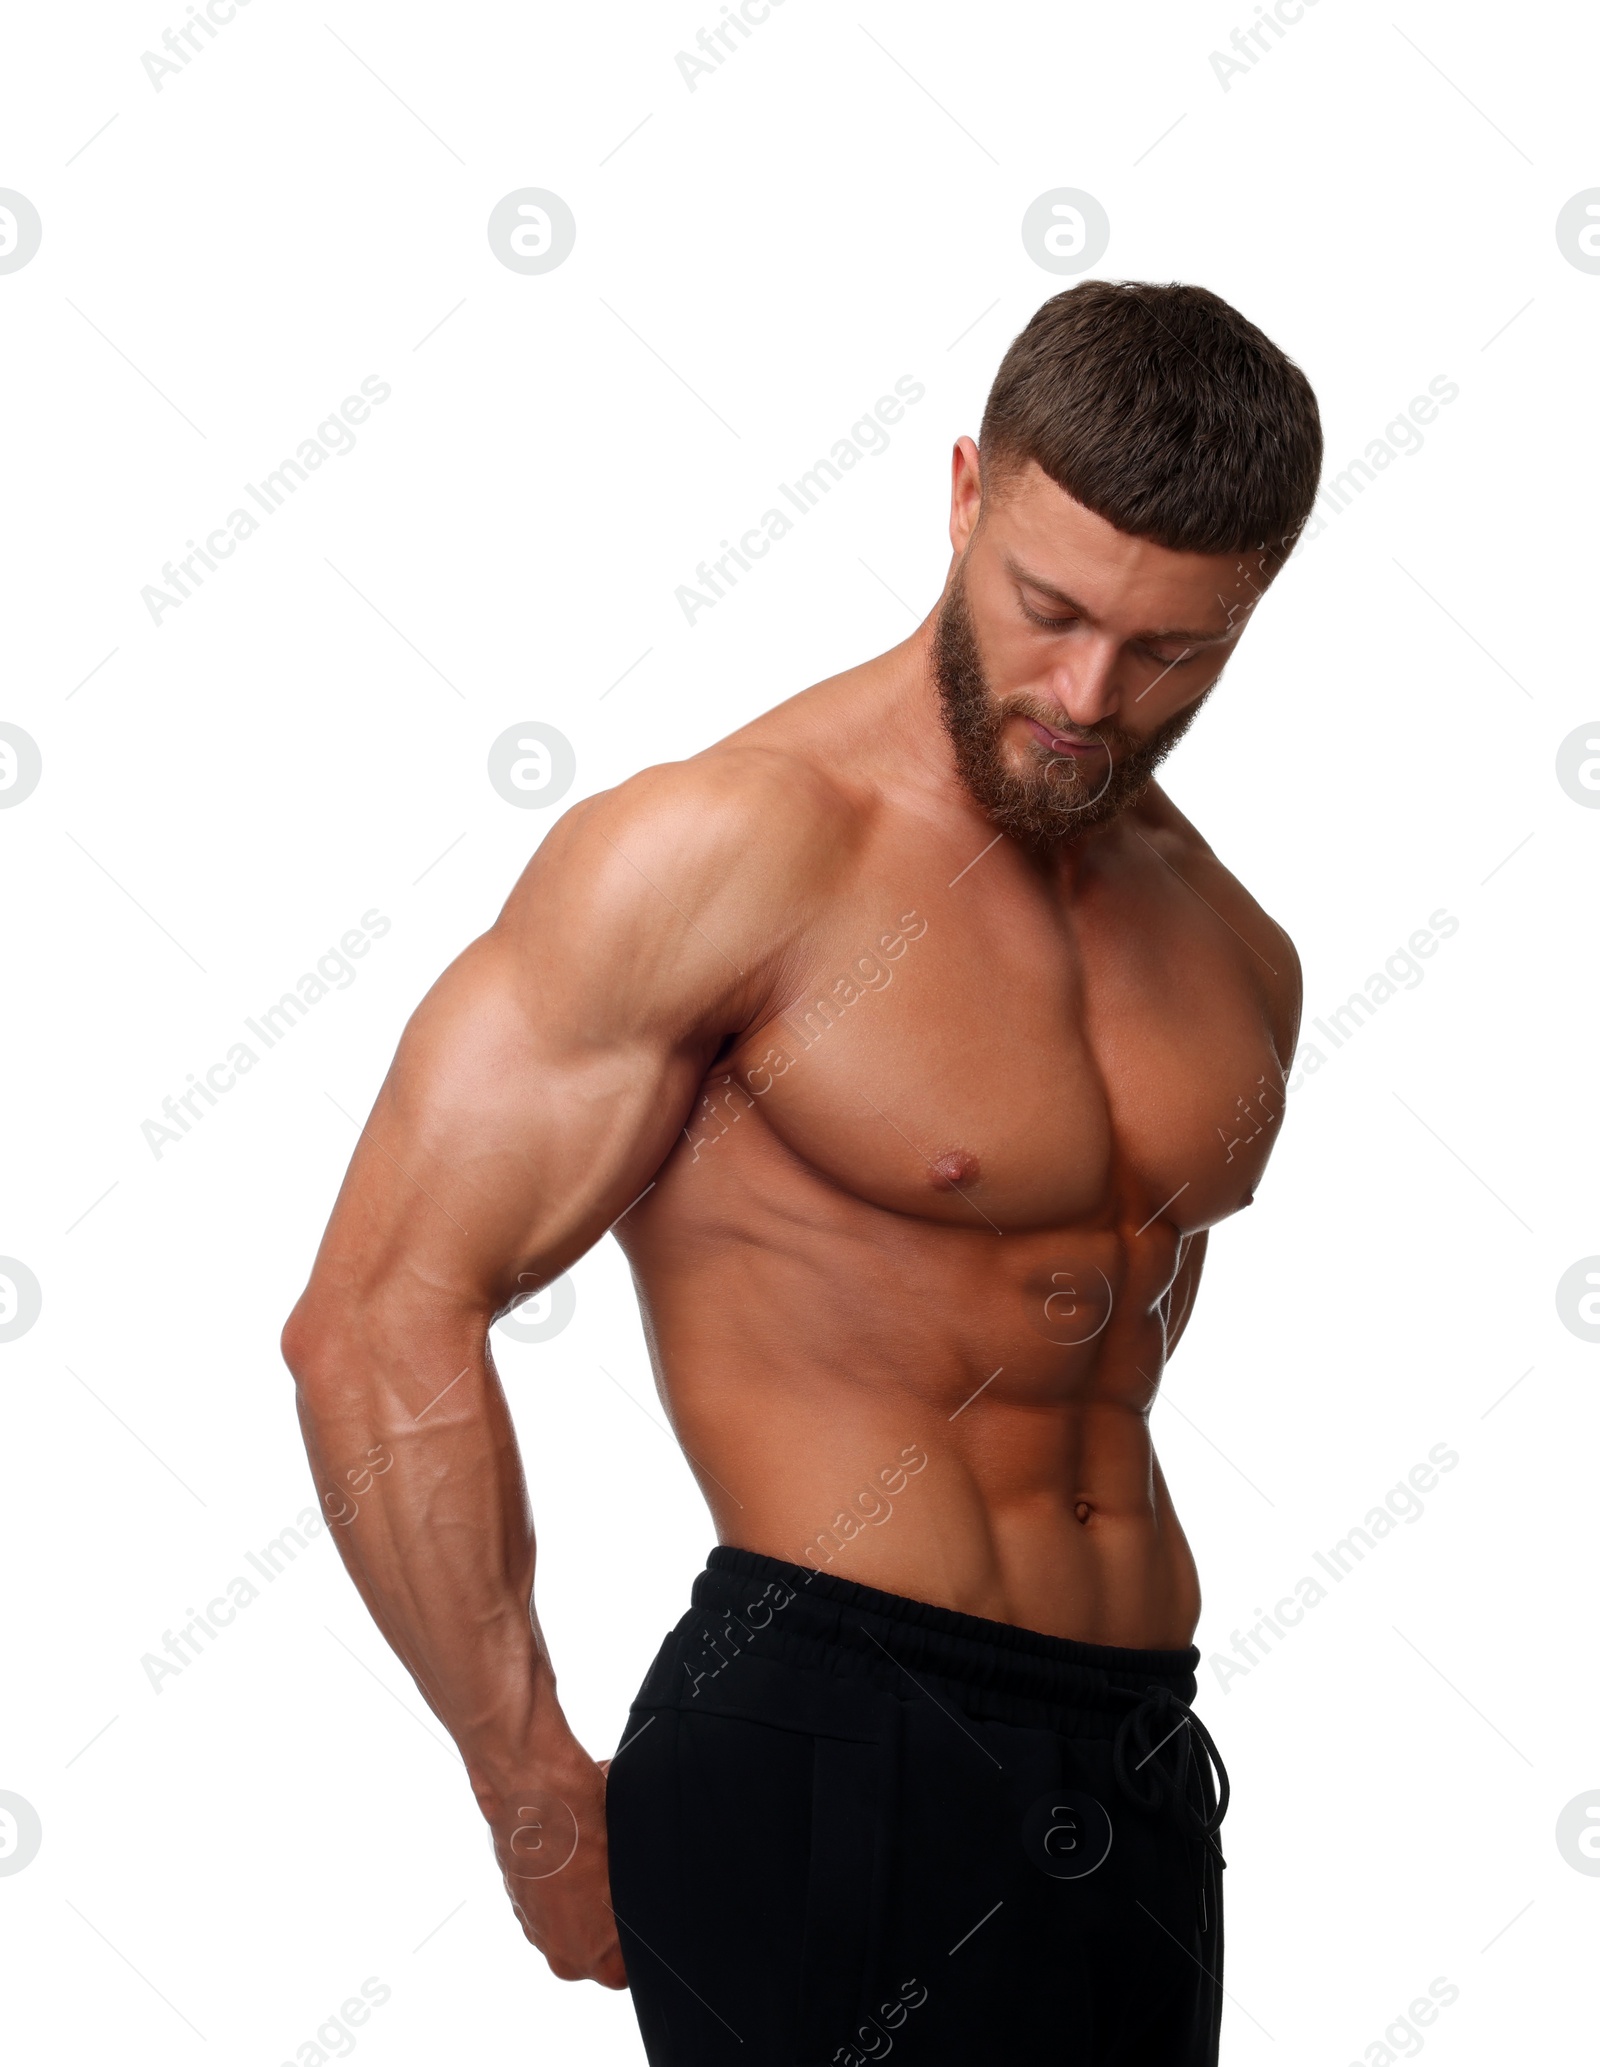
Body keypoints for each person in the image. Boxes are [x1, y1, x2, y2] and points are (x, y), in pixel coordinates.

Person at [282, 278, 1321, 2066]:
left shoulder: (1233, 945)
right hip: (834, 1727)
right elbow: (378, 1317)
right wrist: (535, 1792)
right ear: (961, 500)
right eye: (1049, 611)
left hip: (1138, 1750)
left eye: (1170, 652)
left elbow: (1105, 1320)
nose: (1088, 694)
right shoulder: (728, 848)